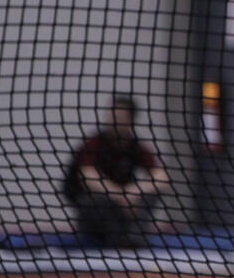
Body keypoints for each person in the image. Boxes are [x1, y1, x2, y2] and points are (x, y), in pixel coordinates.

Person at [61, 96, 169, 248]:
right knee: (96, 200)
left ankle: (135, 239)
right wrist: (119, 195)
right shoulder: (94, 144)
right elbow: (87, 176)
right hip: (97, 205)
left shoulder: (135, 146)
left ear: (131, 120)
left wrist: (134, 192)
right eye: (111, 116)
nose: (113, 121)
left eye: (120, 117)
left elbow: (161, 178)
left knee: (150, 194)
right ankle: (110, 239)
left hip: (127, 206)